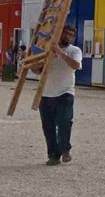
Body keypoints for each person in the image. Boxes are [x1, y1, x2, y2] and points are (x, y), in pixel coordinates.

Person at [32, 25, 83, 166]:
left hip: (65, 92)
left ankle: (65, 149)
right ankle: (53, 155)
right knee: (48, 126)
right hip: (46, 93)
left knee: (64, 121)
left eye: (70, 35)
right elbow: (36, 70)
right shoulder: (47, 49)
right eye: (65, 33)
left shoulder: (74, 50)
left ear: (73, 37)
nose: (67, 36)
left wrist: (60, 52)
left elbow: (75, 65)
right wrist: (45, 59)